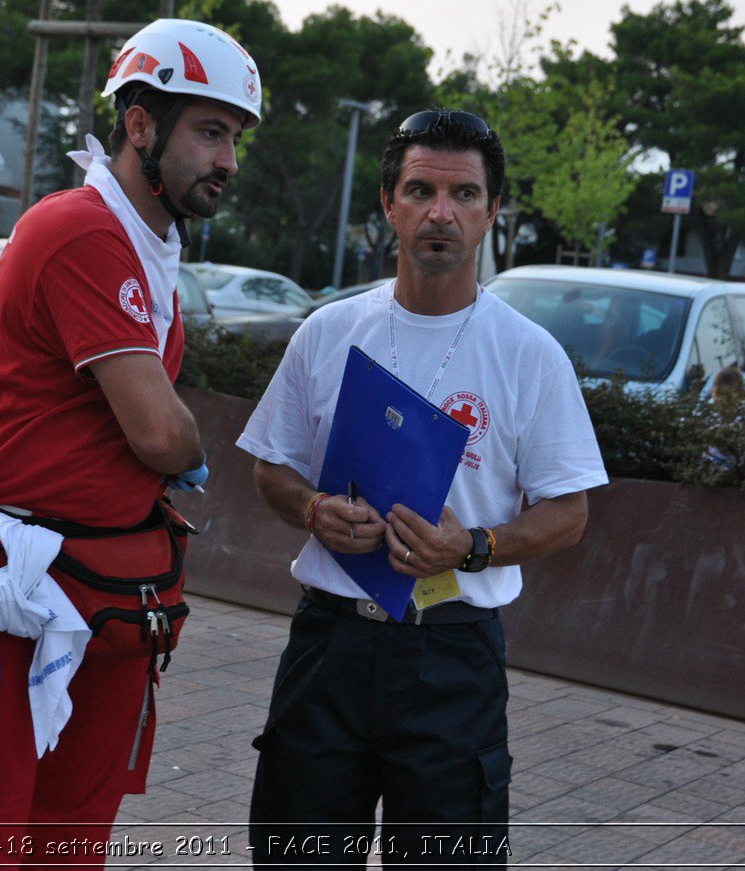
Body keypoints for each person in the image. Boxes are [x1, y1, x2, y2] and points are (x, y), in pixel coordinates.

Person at [0, 19, 263, 866]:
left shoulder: (143, 238)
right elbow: (161, 429)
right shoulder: (85, 229)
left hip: (99, 584)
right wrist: (186, 443)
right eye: (209, 132)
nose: (228, 160)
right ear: (140, 125)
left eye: (234, 138)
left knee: (68, 843)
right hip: (15, 576)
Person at [237, 109, 607, 867]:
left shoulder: (530, 355)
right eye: (421, 189)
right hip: (329, 646)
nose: (442, 212)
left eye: (465, 194)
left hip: (450, 658)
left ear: (493, 213)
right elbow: (268, 467)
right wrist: (312, 509)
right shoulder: (328, 331)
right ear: (388, 203)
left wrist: (472, 546)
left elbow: (570, 512)